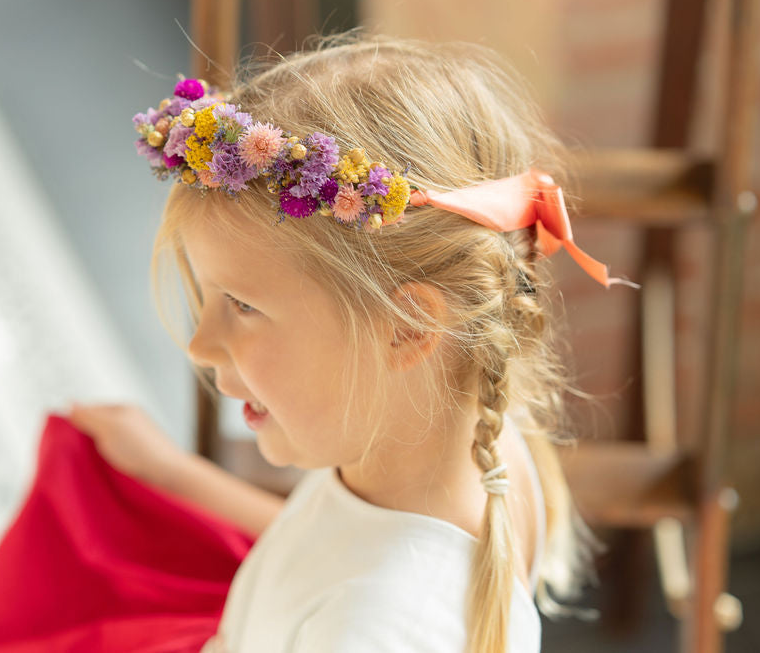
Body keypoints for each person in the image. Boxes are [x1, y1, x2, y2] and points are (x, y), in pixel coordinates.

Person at [71, 33, 629, 653]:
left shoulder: (376, 629)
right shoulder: (456, 446)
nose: (202, 343)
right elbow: (326, 550)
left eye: (243, 305)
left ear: (408, 326)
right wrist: (170, 475)